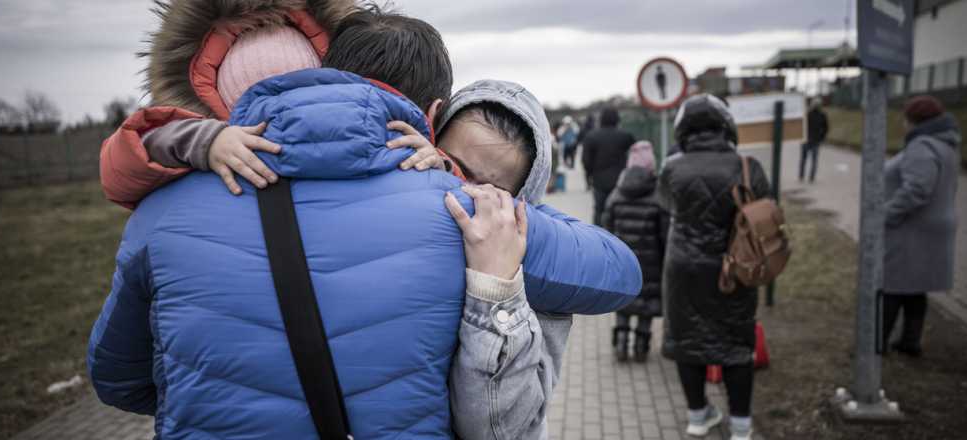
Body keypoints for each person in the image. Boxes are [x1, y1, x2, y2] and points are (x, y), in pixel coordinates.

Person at [88, 4, 641, 438]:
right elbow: (618, 274)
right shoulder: (460, 210)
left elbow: (118, 380)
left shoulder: (164, 210)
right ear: (431, 116)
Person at [657, 94, 770, 440]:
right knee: (736, 345)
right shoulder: (747, 165)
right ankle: (740, 427)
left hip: (683, 269)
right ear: (727, 127)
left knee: (687, 341)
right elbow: (765, 211)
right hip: (733, 269)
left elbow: (665, 205)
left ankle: (697, 417)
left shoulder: (671, 167)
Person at [881, 95, 960, 358]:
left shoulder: (922, 145)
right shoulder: (945, 145)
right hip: (930, 228)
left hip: (911, 229)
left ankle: (876, 343)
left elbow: (917, 189)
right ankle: (910, 340)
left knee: (891, 284)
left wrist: (885, 214)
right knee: (915, 288)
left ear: (913, 120)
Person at [602, 140, 668, 363]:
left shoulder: (616, 193)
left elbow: (606, 228)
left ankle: (621, 342)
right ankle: (641, 346)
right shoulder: (658, 196)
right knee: (646, 303)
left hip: (622, 261)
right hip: (651, 262)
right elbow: (664, 234)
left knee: (623, 301)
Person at [582, 107, 635, 226]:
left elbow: (586, 161)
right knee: (620, 211)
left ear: (601, 120)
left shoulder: (591, 136)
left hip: (599, 180)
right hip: (621, 180)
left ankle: (598, 236)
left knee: (599, 210)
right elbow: (634, 156)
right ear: (617, 119)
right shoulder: (626, 136)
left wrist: (590, 175)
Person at [799, 98, 829, 183]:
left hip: (809, 140)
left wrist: (821, 137)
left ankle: (804, 176)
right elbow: (826, 128)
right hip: (812, 140)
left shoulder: (809, 114)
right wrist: (821, 137)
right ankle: (809, 177)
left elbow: (825, 128)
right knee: (812, 160)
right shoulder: (819, 115)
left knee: (806, 159)